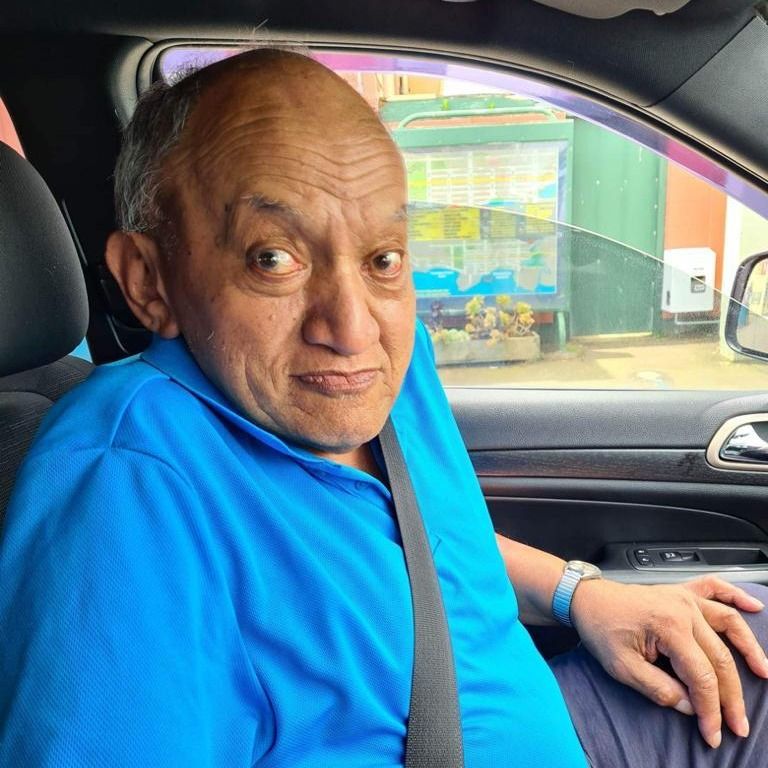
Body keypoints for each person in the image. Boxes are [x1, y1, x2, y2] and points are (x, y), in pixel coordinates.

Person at [1, 48, 767, 767]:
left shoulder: (391, 368)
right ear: (148, 281)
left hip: (543, 714)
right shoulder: (126, 487)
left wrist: (582, 594)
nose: (353, 328)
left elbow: (431, 545)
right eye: (274, 258)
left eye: (383, 258)